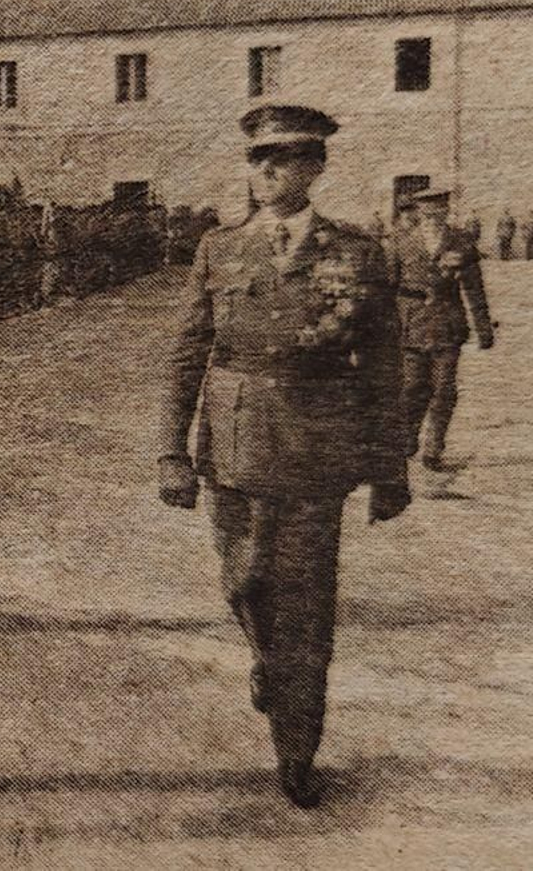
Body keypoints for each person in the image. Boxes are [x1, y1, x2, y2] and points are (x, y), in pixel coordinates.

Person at [157, 104, 409, 810]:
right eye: (259, 158)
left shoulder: (357, 252)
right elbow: (186, 354)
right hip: (235, 446)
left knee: (307, 602)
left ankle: (298, 748)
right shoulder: (220, 248)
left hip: (319, 449)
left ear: (315, 167)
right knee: (243, 581)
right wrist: (169, 452)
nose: (267, 169)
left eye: (287, 157)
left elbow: (385, 364)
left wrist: (391, 467)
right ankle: (268, 661)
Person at [391, 188, 494, 472]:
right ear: (418, 214)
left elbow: (474, 289)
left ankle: (433, 449)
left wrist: (483, 328)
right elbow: (389, 287)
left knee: (444, 389)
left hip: (448, 325)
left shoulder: (461, 243)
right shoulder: (401, 243)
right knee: (412, 387)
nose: (432, 218)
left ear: (446, 212)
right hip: (411, 325)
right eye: (427, 213)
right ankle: (407, 439)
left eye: (438, 212)